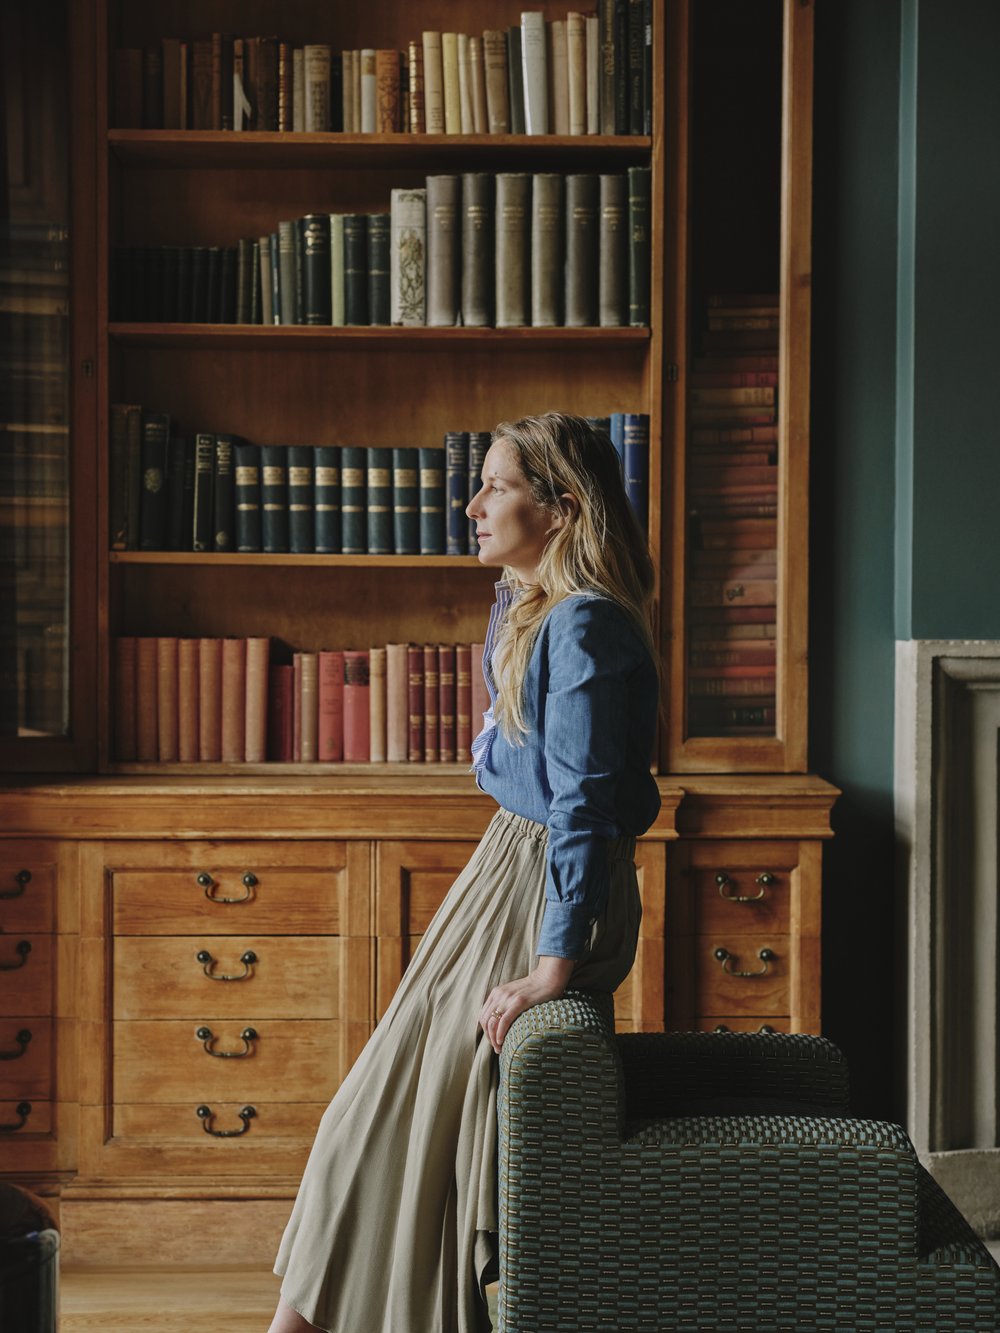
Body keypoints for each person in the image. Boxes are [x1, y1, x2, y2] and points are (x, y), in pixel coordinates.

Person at [267, 412, 662, 1333]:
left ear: (562, 508)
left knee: (383, 1127)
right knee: (374, 1125)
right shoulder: (532, 612)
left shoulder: (587, 627)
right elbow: (512, 766)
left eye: (499, 486)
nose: (472, 503)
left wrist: (553, 965)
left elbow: (584, 807)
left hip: (537, 887)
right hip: (505, 868)